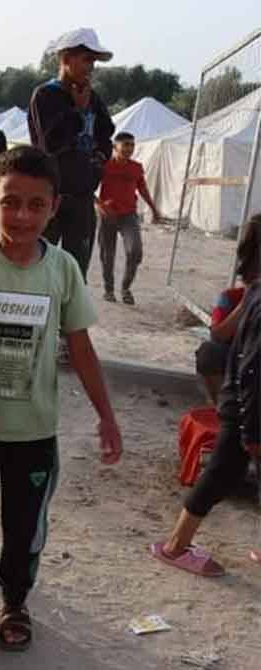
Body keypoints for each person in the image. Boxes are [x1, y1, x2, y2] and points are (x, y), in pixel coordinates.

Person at [0, 146, 123, 651]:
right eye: (11, 203)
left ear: (54, 207)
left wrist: (107, 416)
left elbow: (80, 345)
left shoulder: (62, 271)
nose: (23, 215)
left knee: (24, 529)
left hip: (33, 433)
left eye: (36, 205)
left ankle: (15, 604)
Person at [153, 218, 260, 576]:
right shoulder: (253, 299)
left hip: (245, 404)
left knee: (226, 473)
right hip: (249, 407)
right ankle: (175, 546)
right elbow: (251, 365)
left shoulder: (255, 294)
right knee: (220, 474)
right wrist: (251, 426)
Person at [28, 28, 115, 279]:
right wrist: (77, 111)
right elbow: (50, 143)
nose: (91, 67)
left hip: (82, 199)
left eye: (94, 61)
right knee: (38, 267)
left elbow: (105, 134)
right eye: (87, 59)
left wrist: (99, 160)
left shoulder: (92, 96)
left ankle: (67, 319)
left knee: (76, 274)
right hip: (50, 197)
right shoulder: (46, 95)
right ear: (66, 58)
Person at [195, 215, 261, 404]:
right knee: (209, 352)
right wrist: (247, 301)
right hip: (239, 361)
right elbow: (217, 335)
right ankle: (220, 408)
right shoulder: (231, 297)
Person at [96, 131, 161, 304]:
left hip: (129, 215)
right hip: (108, 215)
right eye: (125, 144)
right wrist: (99, 205)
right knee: (107, 255)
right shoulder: (104, 166)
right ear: (115, 146)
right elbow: (88, 186)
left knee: (135, 251)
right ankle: (108, 290)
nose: (129, 148)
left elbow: (142, 189)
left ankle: (126, 288)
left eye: (132, 145)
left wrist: (154, 209)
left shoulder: (136, 167)